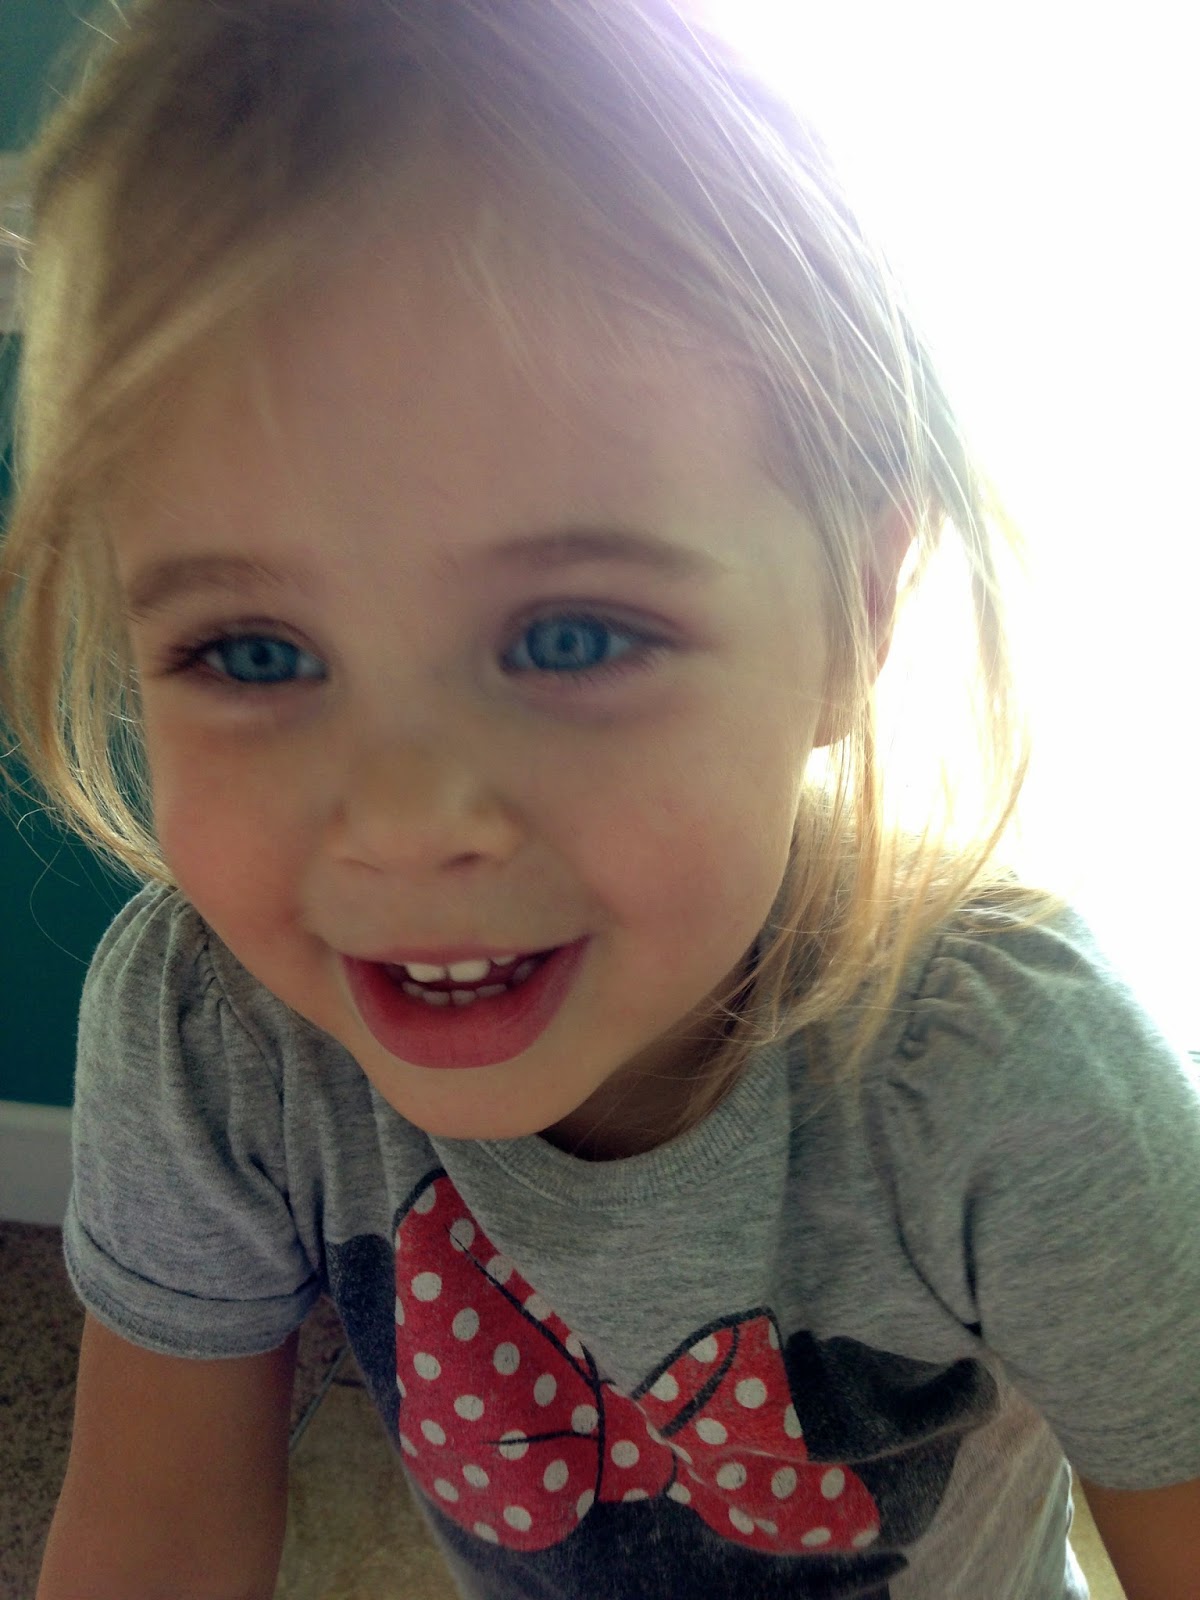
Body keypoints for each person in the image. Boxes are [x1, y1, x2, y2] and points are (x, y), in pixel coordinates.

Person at [1, 3, 1197, 1597]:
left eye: (570, 638)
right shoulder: (211, 1036)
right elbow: (154, 1535)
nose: (404, 822)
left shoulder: (1022, 1089)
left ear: (853, 617)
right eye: (254, 651)